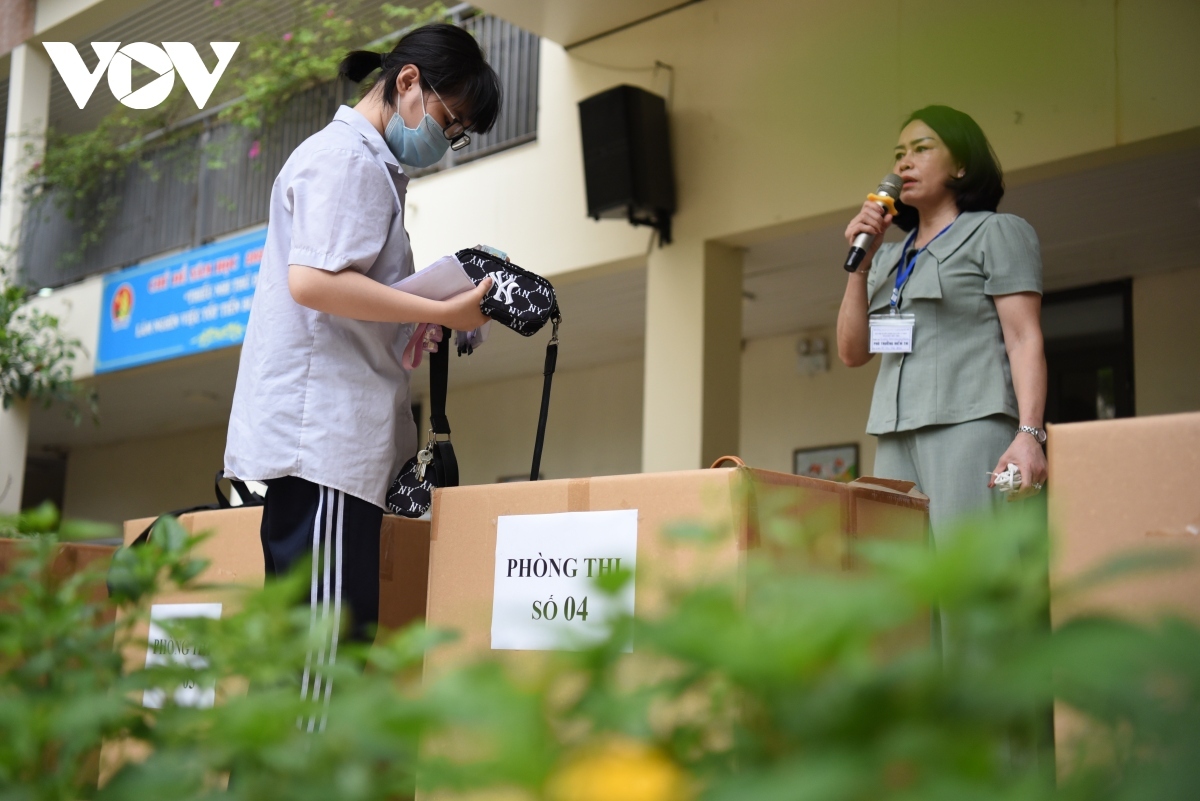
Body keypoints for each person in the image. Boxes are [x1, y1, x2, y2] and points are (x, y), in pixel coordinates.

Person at [223, 23, 500, 720]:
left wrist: (415, 317)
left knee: (313, 663)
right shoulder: (348, 160)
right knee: (322, 670)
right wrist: (435, 306)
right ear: (408, 82)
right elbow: (314, 282)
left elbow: (341, 291)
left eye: (460, 132)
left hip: (331, 448)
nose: (447, 139)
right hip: (324, 448)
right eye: (450, 119)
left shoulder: (366, 164)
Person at [836, 105, 1048, 541]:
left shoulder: (996, 231)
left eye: (921, 148)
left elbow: (1024, 337)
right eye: (899, 154)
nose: (903, 162)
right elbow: (852, 353)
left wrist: (1029, 434)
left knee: (973, 580)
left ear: (962, 165)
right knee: (904, 590)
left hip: (970, 426)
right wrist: (862, 263)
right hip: (894, 437)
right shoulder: (890, 257)